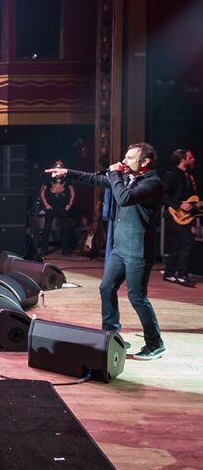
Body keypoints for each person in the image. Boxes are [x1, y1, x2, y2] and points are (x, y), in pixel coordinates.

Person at [46, 142, 165, 360]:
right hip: (120, 248)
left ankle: (155, 343)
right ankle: (111, 334)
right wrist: (68, 173)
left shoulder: (152, 183)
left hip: (138, 250)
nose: (124, 161)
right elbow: (96, 179)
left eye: (130, 158)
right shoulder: (127, 178)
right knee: (106, 287)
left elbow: (125, 199)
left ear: (145, 161)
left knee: (137, 297)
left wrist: (115, 174)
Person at [162, 149, 198, 287]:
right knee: (188, 243)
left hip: (185, 217)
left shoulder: (189, 176)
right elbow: (163, 195)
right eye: (190, 157)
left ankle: (169, 273)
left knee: (177, 245)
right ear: (182, 159)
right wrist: (179, 205)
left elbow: (191, 199)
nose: (193, 159)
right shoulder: (171, 175)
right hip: (173, 215)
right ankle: (182, 275)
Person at [40, 160, 75, 256]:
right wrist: (46, 204)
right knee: (47, 228)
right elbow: (42, 192)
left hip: (63, 207)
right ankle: (44, 249)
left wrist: (69, 204)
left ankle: (65, 250)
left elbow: (72, 192)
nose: (59, 168)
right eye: (57, 166)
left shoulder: (67, 178)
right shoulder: (48, 178)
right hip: (51, 207)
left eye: (60, 166)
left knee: (65, 229)